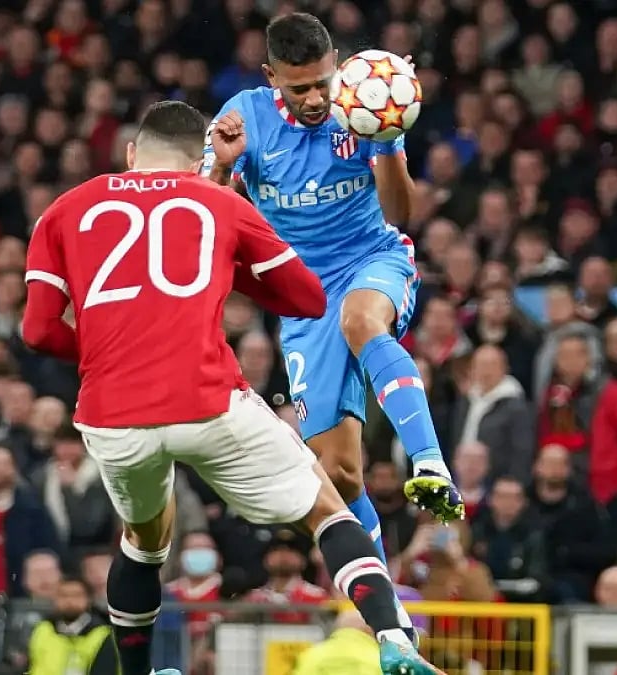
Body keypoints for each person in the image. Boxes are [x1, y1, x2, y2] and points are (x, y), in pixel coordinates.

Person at [22, 100, 439, 675]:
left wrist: (106, 354)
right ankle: (394, 640)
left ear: (130, 154)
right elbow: (308, 300)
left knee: (143, 542)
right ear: (200, 160)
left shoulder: (62, 212)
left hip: (112, 414)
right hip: (207, 399)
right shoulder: (216, 200)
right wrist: (230, 265)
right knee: (329, 511)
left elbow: (39, 329)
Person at [202, 16, 465, 564]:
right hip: (302, 297)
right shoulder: (241, 121)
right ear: (272, 77)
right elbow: (201, 221)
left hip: (374, 259)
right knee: (339, 479)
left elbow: (399, 214)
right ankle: (393, 620)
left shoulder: (366, 100)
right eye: (300, 88)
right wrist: (221, 171)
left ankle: (431, 465)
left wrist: (389, 143)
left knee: (360, 320)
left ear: (337, 64)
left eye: (323, 81)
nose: (317, 97)